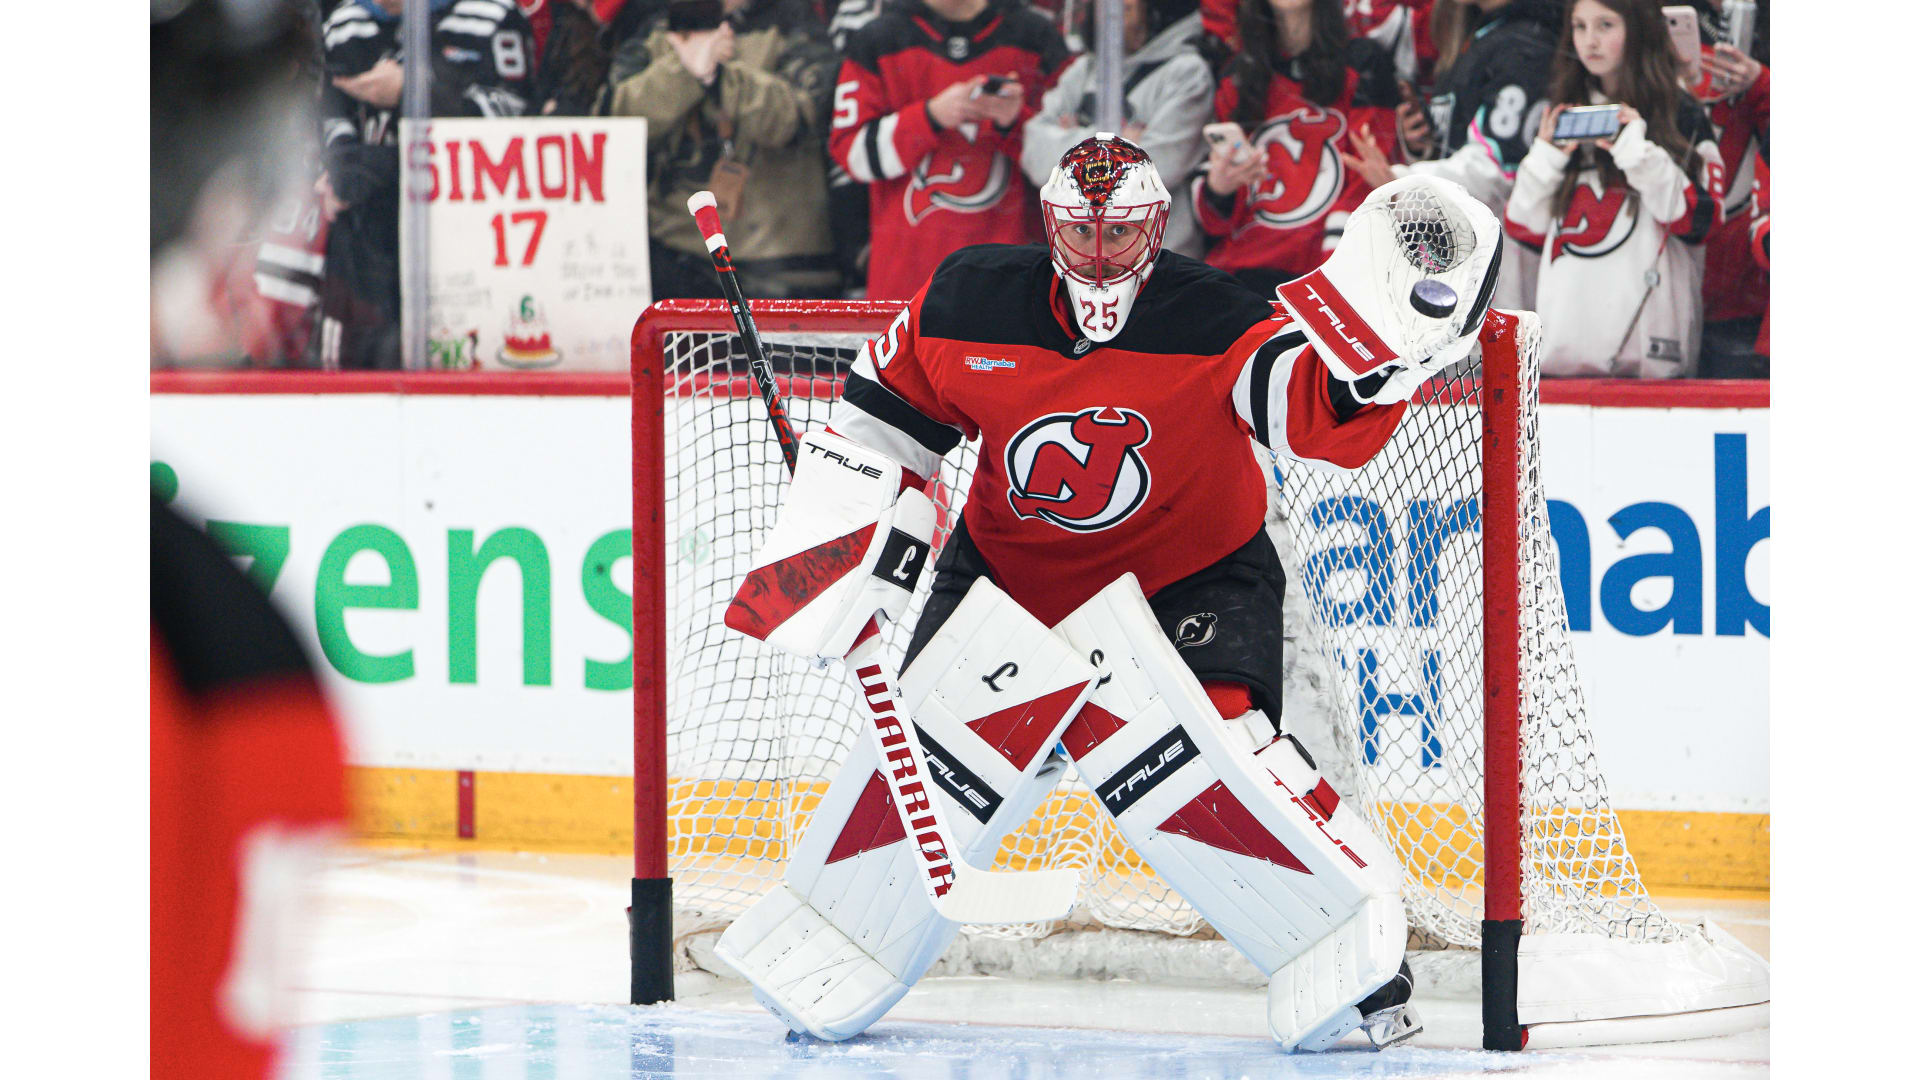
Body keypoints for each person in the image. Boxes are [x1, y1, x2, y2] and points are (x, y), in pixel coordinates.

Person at [712, 135, 1506, 1053]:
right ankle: (836, 938)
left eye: (1119, 235)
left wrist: (1376, 367)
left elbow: (1308, 415)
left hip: (1187, 576)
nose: (1098, 257)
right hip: (1009, 576)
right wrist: (851, 537)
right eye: (1081, 234)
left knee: (1211, 759)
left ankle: (1357, 960)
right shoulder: (968, 297)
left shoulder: (1216, 315)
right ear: (1049, 226)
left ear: (1155, 228)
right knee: (933, 772)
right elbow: (882, 424)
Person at [1503, 0, 1723, 377]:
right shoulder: (1563, 112)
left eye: (1605, 25)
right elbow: (1524, 230)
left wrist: (1638, 153)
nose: (1590, 41)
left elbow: (1702, 222)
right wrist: (1545, 158)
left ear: (1638, 28)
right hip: (1563, 355)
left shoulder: (1680, 112)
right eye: (1580, 26)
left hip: (1651, 360)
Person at [314, 0, 536, 369]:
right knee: (362, 359)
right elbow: (330, 110)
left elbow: (513, 123)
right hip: (368, 233)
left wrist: (414, 91)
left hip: (464, 230)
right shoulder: (346, 23)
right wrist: (340, 163)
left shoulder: (493, 18)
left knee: (460, 357)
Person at [829, 0, 1071, 300]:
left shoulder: (1036, 36)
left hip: (1016, 287)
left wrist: (1016, 124)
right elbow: (850, 153)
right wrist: (930, 117)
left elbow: (1078, 169)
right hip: (907, 289)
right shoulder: (876, 40)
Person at [610, 0, 843, 299]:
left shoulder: (793, 22)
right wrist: (682, 70)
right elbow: (613, 128)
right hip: (673, 255)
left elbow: (803, 118)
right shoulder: (658, 25)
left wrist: (720, 76)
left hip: (779, 261)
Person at [1341, 0, 1562, 311]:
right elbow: (1463, 150)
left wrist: (1404, 182)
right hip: (1459, 259)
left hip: (1497, 273)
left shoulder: (1525, 47)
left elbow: (1498, 173)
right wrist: (1424, 144)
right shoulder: (1483, 33)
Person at [1192, 0, 1400, 296]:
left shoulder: (1363, 62)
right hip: (1241, 270)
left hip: (1321, 274)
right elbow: (1217, 222)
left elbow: (1369, 178)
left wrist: (1333, 277)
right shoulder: (1238, 75)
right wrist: (1218, 189)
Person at [1021, 0, 1215, 257]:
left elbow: (1155, 173)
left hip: (1157, 258)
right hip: (1080, 258)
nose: (1109, 17)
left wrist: (1073, 144)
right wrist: (1121, 143)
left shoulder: (1187, 73)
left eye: (1125, 8)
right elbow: (1035, 155)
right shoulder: (1084, 70)